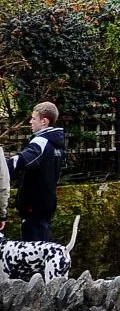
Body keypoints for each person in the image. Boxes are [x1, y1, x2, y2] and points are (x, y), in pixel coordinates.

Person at [8, 102, 65, 242]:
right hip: (47, 202)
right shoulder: (57, 143)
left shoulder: (41, 141)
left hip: (34, 205)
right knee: (41, 246)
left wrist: (4, 165)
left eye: (34, 118)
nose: (30, 121)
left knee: (33, 249)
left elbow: (21, 161)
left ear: (44, 121)